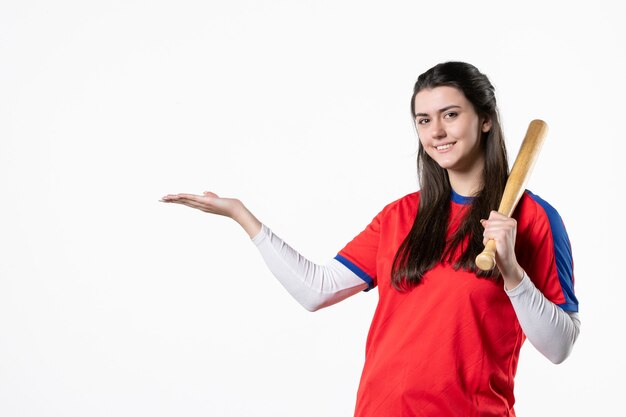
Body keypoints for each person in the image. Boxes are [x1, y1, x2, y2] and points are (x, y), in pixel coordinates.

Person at [161, 61, 580, 417]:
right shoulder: (402, 215)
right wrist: (241, 215)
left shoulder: (533, 219)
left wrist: (513, 273)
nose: (436, 131)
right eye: (424, 120)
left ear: (485, 119)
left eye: (451, 115)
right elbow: (316, 291)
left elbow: (561, 346)